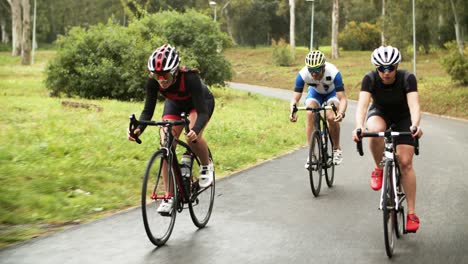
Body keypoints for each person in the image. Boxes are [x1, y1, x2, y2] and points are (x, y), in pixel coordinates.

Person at [127, 44, 215, 213]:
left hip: (199, 104)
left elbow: (202, 113)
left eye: (165, 75)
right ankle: (170, 195)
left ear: (175, 71)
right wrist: (138, 129)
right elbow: (147, 110)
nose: (162, 80)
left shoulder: (190, 78)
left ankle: (206, 165)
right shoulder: (154, 81)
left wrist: (195, 129)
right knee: (166, 145)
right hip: (175, 105)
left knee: (192, 138)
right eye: (157, 76)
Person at [352, 46, 423, 232]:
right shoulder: (370, 79)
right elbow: (362, 105)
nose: (385, 72)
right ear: (376, 68)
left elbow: (414, 106)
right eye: (381, 68)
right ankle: (379, 168)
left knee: (405, 162)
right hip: (380, 113)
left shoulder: (407, 78)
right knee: (374, 129)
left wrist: (415, 125)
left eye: (390, 68)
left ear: (396, 66)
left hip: (403, 117)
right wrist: (359, 126)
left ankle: (412, 213)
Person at [289, 50, 348, 167]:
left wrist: (341, 113)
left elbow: (343, 99)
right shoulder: (303, 74)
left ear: (323, 67)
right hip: (315, 94)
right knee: (310, 113)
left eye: (316, 70)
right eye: (311, 70)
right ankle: (312, 154)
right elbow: (295, 99)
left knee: (331, 117)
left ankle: (336, 149)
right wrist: (292, 111)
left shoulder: (334, 72)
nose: (313, 74)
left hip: (332, 93)